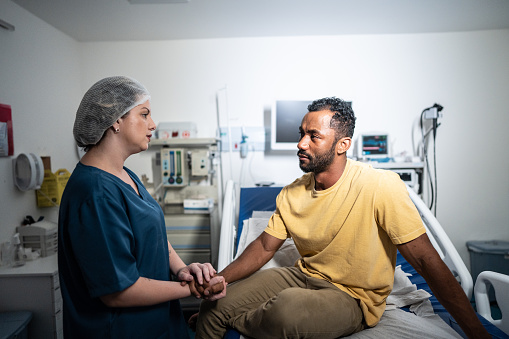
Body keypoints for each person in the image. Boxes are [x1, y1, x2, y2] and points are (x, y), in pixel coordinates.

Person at [193, 97, 490, 338]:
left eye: (313, 136)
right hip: (301, 275)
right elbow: (264, 247)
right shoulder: (291, 194)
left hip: (352, 297)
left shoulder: (381, 186)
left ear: (342, 145)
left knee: (286, 311)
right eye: (301, 133)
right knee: (214, 307)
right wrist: (221, 278)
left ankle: (239, 322)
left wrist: (477, 333)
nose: (300, 143)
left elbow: (426, 260)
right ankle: (230, 317)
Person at [58, 76, 224, 338]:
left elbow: (154, 236)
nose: (153, 124)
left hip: (157, 321)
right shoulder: (94, 193)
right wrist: (192, 290)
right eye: (144, 114)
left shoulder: (125, 175)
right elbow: (117, 292)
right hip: (122, 329)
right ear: (115, 120)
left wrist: (182, 270)